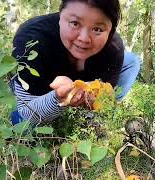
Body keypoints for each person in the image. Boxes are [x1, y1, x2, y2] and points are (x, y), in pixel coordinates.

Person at [11, 0, 140, 126]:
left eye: (97, 29)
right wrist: (58, 98)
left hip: (86, 82)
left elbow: (106, 98)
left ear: (111, 29)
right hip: (40, 89)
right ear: (60, 15)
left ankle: (96, 118)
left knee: (132, 61)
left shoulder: (113, 47)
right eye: (75, 23)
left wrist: (96, 97)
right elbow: (24, 115)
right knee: (23, 123)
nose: (84, 39)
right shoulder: (31, 40)